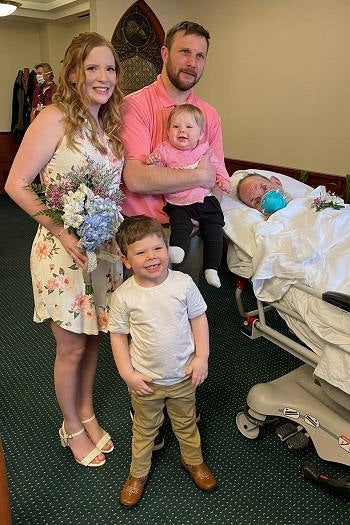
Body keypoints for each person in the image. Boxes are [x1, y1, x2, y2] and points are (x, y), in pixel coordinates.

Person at [5, 32, 124, 467]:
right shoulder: (53, 118)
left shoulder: (108, 126)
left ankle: (87, 410)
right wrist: (61, 229)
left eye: (110, 68)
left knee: (94, 340)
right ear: (73, 73)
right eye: (92, 68)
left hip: (103, 251)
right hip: (62, 251)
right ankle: (70, 424)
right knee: (71, 346)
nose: (103, 77)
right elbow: (15, 185)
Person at [109, 215, 217, 508]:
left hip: (183, 376)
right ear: (126, 260)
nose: (152, 257)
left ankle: (192, 460)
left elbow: (199, 319)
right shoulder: (123, 296)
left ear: (167, 249)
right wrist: (127, 374)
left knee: (186, 422)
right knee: (144, 430)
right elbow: (118, 336)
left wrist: (202, 358)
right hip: (146, 381)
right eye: (141, 252)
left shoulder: (183, 284)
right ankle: (137, 474)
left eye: (157, 248)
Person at [120, 20, 229, 283]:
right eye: (184, 52)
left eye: (200, 55)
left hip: (191, 229)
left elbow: (218, 178)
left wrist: (203, 210)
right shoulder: (134, 106)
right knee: (139, 315)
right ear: (165, 53)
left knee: (182, 309)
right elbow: (135, 178)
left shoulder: (209, 115)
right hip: (142, 232)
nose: (193, 62)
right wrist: (199, 178)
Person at [146, 103, 231, 287]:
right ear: (168, 131)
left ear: (200, 134)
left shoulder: (204, 150)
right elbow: (155, 171)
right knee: (180, 224)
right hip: (178, 202)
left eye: (189, 127)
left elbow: (217, 166)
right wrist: (153, 160)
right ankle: (177, 248)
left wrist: (224, 180)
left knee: (214, 230)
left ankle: (212, 268)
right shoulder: (165, 149)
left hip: (205, 200)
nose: (181, 131)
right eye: (175, 127)